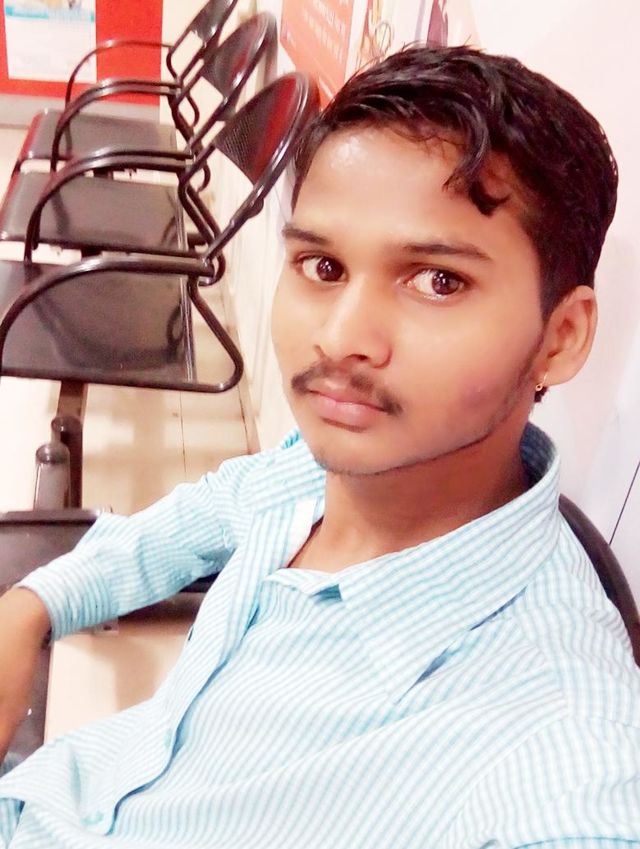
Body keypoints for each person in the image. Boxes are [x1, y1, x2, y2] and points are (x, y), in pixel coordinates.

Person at [0, 44, 638, 848]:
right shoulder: (314, 467)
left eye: (438, 281)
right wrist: (31, 606)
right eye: (323, 265)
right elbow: (195, 518)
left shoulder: (558, 744)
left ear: (561, 337)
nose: (340, 339)